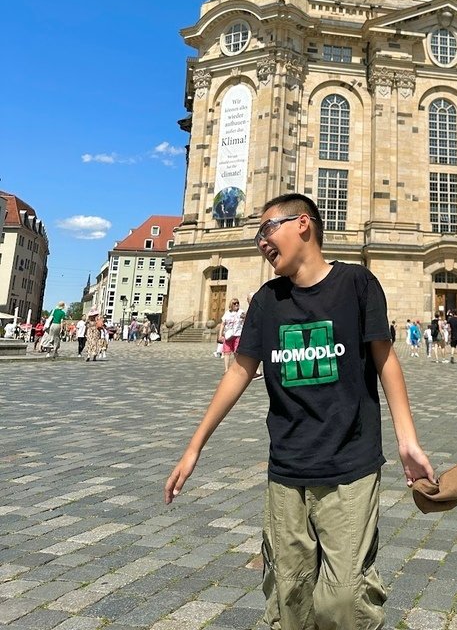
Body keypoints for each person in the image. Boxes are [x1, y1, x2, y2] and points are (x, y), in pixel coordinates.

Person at [165, 192, 433, 630]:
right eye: (257, 235)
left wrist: (408, 441)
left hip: (350, 465)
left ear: (303, 224)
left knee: (344, 600)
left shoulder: (357, 284)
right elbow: (238, 372)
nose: (260, 242)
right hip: (287, 470)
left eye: (267, 229)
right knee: (289, 594)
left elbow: (385, 360)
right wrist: (194, 447)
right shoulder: (267, 301)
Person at [220, 298, 245, 372]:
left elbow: (246, 320)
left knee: (236, 352)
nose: (236, 304)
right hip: (228, 335)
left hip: (238, 335)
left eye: (237, 303)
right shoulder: (227, 313)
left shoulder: (241, 312)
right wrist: (220, 334)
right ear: (231, 305)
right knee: (227, 352)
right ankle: (226, 369)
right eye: (234, 303)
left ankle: (237, 367)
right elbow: (223, 324)